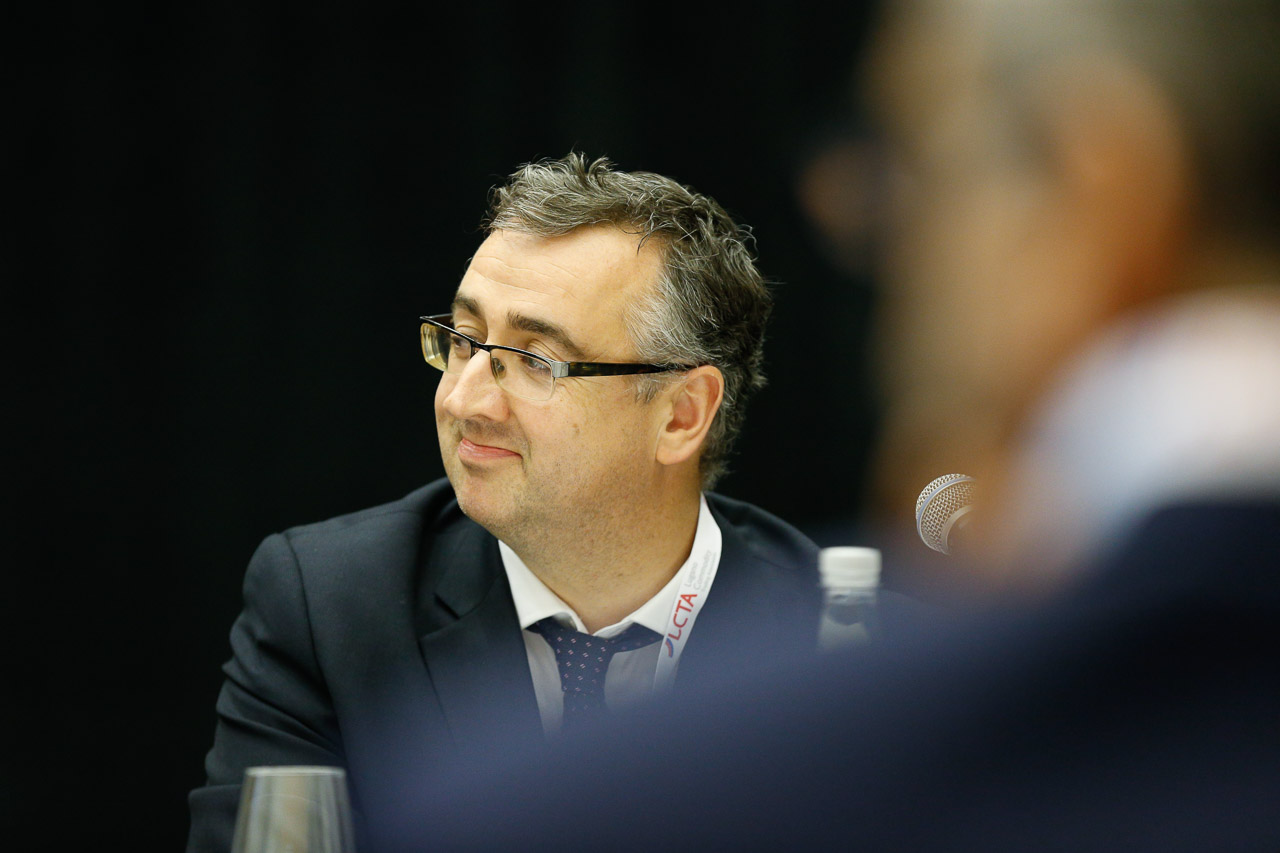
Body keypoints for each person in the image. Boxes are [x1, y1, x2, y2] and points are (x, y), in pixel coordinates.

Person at [404, 2, 1280, 850]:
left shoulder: (600, 809)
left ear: (1091, 185)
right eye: (463, 343)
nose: (469, 399)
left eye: (911, 175)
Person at [186, 154, 846, 852]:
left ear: (682, 414)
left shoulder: (842, 646)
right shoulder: (330, 607)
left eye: (535, 360)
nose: (464, 399)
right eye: (464, 340)